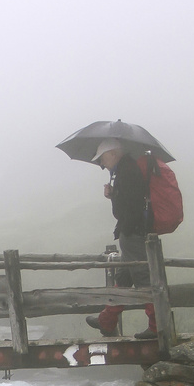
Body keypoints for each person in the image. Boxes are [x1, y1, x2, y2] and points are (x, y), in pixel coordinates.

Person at [85, 138, 158, 340]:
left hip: (133, 232)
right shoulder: (126, 170)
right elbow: (131, 202)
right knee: (125, 278)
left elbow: (128, 209)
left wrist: (114, 197)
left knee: (143, 277)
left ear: (113, 153)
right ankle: (107, 320)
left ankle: (156, 326)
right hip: (133, 232)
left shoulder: (126, 171)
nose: (101, 164)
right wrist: (114, 195)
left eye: (102, 158)